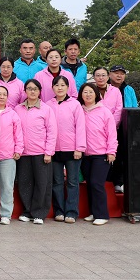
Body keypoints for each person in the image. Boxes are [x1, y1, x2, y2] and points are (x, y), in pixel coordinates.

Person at [14, 79, 58, 224]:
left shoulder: (46, 109)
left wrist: (48, 152)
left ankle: (39, 213)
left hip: (41, 153)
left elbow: (52, 132)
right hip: (24, 153)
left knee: (42, 183)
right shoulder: (18, 109)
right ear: (25, 91)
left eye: (35, 89)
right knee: (25, 183)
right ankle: (28, 211)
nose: (32, 91)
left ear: (40, 91)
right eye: (29, 88)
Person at [47, 76, 85, 223]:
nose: (60, 88)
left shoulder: (75, 104)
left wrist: (79, 148)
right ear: (52, 88)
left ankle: (71, 212)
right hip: (54, 150)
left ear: (68, 87)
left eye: (63, 85)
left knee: (72, 182)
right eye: (57, 85)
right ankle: (59, 211)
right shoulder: (48, 105)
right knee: (57, 182)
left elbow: (80, 127)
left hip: (72, 149)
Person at [79, 83, 118, 225]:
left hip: (101, 154)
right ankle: (93, 212)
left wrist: (111, 151)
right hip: (85, 154)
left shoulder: (104, 111)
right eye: (85, 92)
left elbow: (111, 133)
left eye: (91, 92)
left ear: (96, 94)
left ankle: (102, 215)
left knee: (97, 183)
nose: (88, 95)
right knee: (90, 183)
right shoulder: (79, 110)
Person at [0, 86, 22, 225]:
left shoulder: (13, 114)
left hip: (7, 155)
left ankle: (6, 214)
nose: (2, 97)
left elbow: (18, 133)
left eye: (4, 94)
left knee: (7, 186)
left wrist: (18, 149)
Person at [108, 65, 137, 194]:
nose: (119, 76)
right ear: (110, 74)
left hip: (123, 127)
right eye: (116, 73)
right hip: (108, 127)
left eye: (122, 73)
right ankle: (107, 180)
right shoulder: (105, 88)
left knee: (121, 155)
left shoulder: (129, 90)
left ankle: (118, 182)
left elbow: (134, 107)